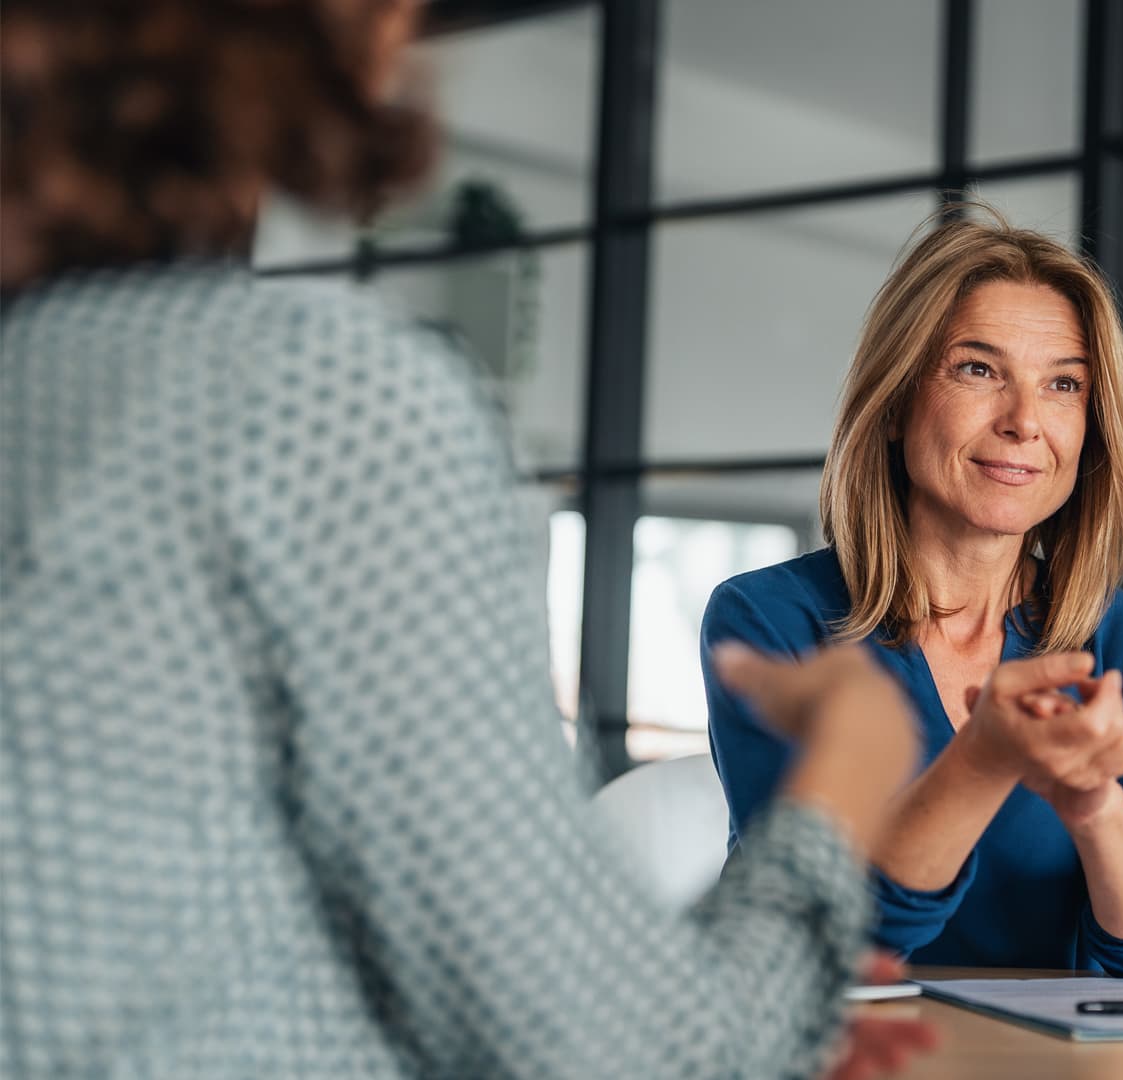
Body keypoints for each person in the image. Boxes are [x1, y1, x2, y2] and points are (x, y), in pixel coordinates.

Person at [0, 2, 935, 1077]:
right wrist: (849, 770)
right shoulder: (310, 401)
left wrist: (772, 1013)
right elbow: (630, 1058)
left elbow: (201, 941)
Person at [702, 212, 1123, 974]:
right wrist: (984, 759)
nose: (1023, 422)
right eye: (978, 369)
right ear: (892, 403)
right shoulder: (768, 618)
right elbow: (822, 928)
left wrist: (1095, 806)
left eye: (1063, 384)